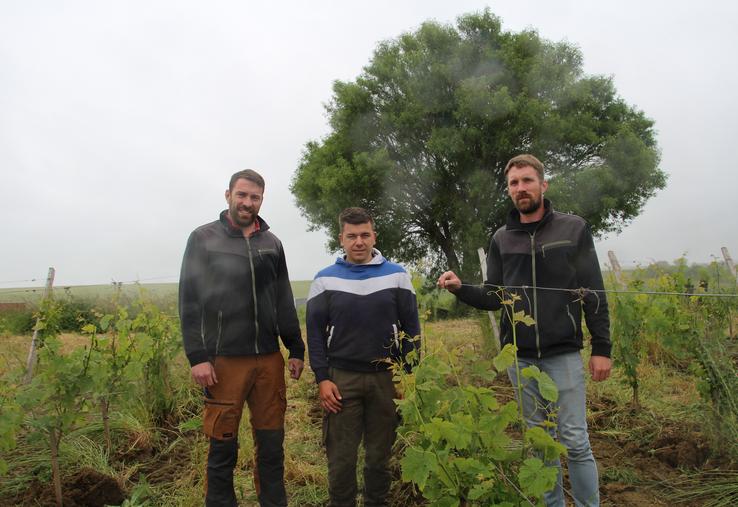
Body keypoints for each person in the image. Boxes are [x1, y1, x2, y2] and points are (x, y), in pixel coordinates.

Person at [437, 154, 611, 507]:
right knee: (539, 442)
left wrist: (602, 348)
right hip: (522, 359)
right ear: (509, 191)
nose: (521, 188)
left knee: (575, 440)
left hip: (563, 352)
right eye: (514, 184)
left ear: (543, 185)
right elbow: (493, 296)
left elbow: (593, 291)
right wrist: (460, 288)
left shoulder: (573, 228)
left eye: (527, 181)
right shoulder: (502, 238)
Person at [179, 169, 305, 507]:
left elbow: (283, 299)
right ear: (228, 195)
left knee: (271, 444)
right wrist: (198, 356)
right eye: (242, 195)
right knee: (222, 446)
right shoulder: (204, 239)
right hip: (223, 361)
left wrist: (295, 347)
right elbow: (189, 302)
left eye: (255, 197)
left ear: (261, 200)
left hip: (267, 358)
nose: (247, 202)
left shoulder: (272, 243)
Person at [306, 207, 421, 507]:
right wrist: (322, 379)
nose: (359, 241)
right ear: (341, 239)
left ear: (374, 236)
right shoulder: (324, 280)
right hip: (341, 379)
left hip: (387, 379)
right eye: (352, 236)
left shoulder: (397, 275)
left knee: (379, 457)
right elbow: (315, 335)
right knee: (342, 459)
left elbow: (412, 329)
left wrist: (408, 375)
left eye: (365, 235)